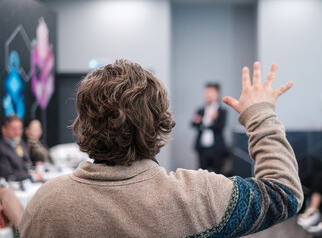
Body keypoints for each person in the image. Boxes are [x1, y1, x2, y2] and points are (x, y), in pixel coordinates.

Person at [17, 60, 303, 237]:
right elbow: (284, 193)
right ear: (160, 123)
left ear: (82, 122)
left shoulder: (45, 205)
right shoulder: (199, 196)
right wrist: (260, 114)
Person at [192, 83, 227, 174]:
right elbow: (193, 124)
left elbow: (220, 126)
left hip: (217, 148)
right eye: (206, 92)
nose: (208, 95)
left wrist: (207, 122)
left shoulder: (222, 111)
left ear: (217, 95)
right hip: (202, 148)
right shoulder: (200, 110)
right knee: (201, 174)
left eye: (211, 92)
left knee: (218, 174)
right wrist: (200, 121)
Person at [0, 115, 43, 183]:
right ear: (4, 129)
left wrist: (35, 170)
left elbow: (26, 163)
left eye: (20, 128)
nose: (17, 132)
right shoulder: (2, 148)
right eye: (14, 129)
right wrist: (31, 176)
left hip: (28, 183)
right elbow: (8, 174)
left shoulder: (20, 143)